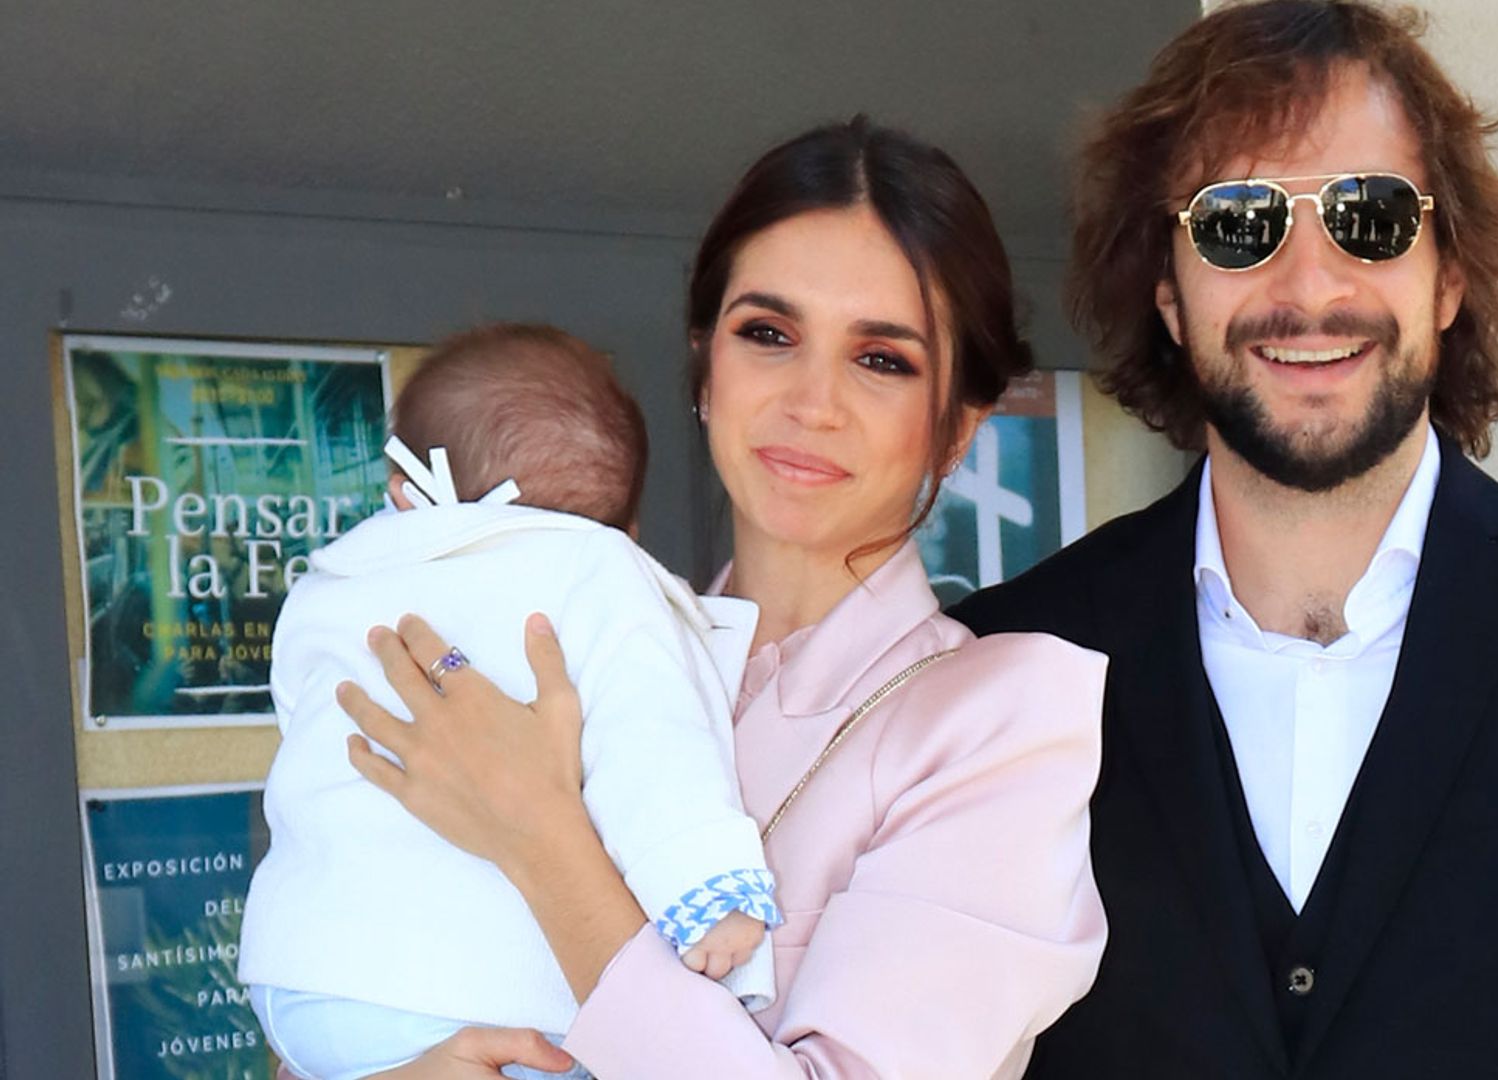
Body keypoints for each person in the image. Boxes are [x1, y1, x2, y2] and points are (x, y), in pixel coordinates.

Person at [951, 2, 1498, 1077]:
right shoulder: (1003, 662)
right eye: (1239, 221)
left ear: (1450, 275)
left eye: (1369, 217)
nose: (1310, 288)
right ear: (1169, 293)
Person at [331, 118, 1108, 1079]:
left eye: (882, 359)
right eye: (769, 335)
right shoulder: (563, 647)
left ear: (957, 427)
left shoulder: (998, 723)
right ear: (705, 368)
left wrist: (540, 838)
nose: (810, 402)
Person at [240, 324, 778, 1080]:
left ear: (404, 490)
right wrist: (707, 886)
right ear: (626, 526)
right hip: (485, 996)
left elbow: (304, 732)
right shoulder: (598, 574)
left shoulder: (330, 584)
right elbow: (653, 743)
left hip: (302, 987)